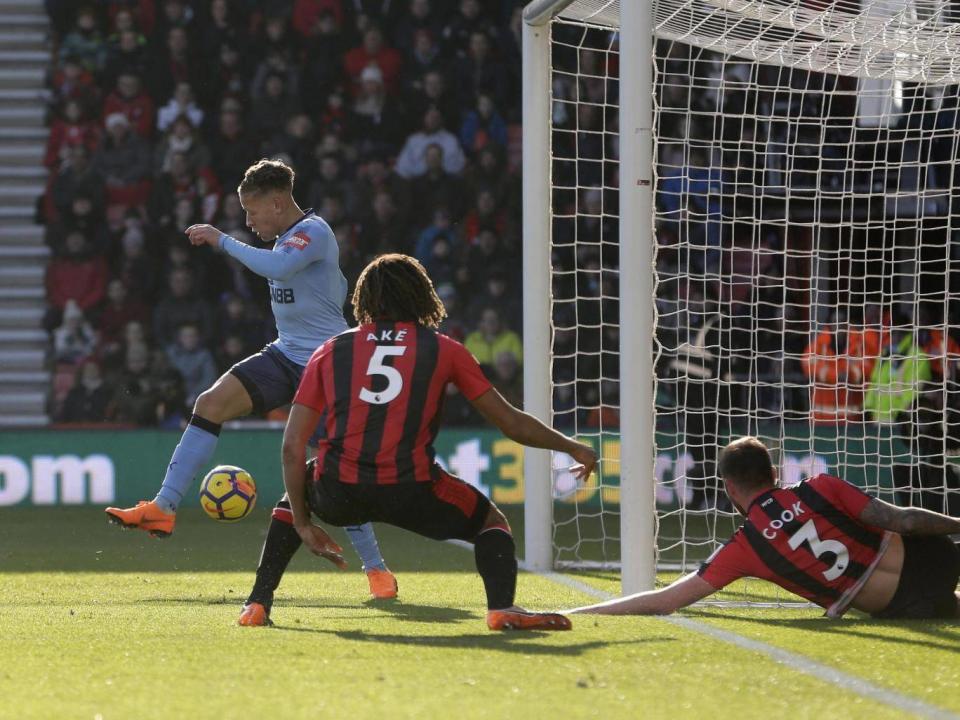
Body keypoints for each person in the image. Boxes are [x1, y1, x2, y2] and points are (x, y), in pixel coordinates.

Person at [237, 253, 598, 630]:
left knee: (301, 488)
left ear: (364, 300)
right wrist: (571, 446)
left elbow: (292, 447)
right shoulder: (445, 349)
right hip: (412, 489)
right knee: (491, 522)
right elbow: (509, 421)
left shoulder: (330, 351)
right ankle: (502, 607)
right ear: (422, 296)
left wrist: (301, 522)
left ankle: (258, 602)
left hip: (340, 487)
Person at [105, 159, 396, 600]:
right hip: (284, 354)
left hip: (328, 365)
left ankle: (376, 569)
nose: (248, 220)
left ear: (278, 203)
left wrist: (223, 240)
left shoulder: (313, 232)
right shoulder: (283, 238)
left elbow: (278, 268)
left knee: (334, 467)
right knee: (210, 404)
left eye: (253, 211)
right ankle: (163, 508)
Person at [569, 436, 960, 619]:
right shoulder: (823, 486)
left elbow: (666, 599)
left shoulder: (747, 544)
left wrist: (582, 610)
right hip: (940, 557)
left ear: (728, 488)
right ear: (774, 473)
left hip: (903, 604)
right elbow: (904, 520)